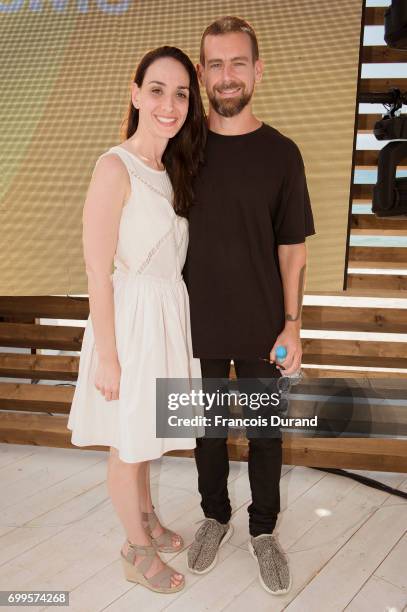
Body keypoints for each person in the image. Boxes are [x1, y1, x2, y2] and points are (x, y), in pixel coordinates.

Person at [67, 46, 207, 594]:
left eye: (180, 94)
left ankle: (145, 516)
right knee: (128, 444)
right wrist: (108, 355)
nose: (169, 105)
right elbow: (96, 269)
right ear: (135, 94)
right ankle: (135, 548)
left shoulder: (171, 170)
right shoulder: (114, 166)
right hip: (128, 326)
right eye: (157, 90)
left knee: (146, 436)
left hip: (167, 318)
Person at [184, 17, 316, 595]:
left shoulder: (282, 154)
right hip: (196, 323)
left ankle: (263, 532)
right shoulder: (181, 151)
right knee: (207, 433)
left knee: (265, 435)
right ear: (202, 74)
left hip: (264, 324)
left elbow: (292, 249)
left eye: (238, 63)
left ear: (257, 70)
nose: (227, 75)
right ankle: (215, 517)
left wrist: (293, 323)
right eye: (216, 64)